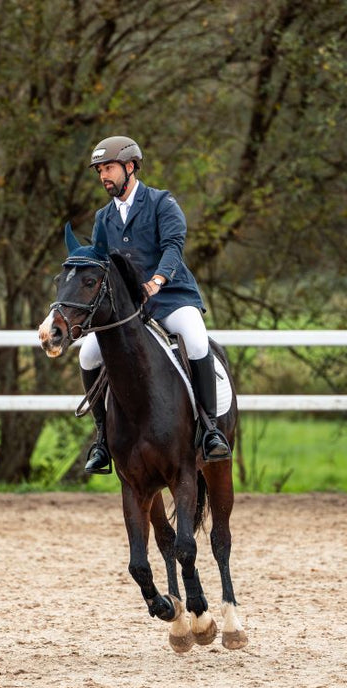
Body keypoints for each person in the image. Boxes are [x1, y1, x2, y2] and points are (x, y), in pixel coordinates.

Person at [79, 135, 230, 474]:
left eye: (109, 168)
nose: (104, 176)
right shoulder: (103, 218)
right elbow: (102, 265)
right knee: (87, 354)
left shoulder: (162, 203)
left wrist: (157, 280)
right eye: (100, 170)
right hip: (129, 310)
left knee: (195, 339)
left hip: (172, 297)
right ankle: (102, 437)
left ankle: (210, 430)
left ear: (130, 167)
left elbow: (173, 247)